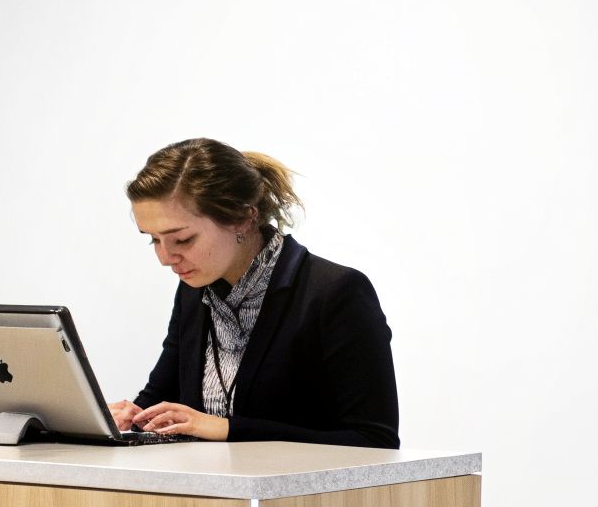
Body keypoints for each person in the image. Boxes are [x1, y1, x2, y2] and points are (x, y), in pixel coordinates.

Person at [109, 138, 400, 449]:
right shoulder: (194, 292)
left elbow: (375, 441)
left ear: (243, 219)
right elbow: (159, 404)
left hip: (301, 498)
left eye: (182, 239)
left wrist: (227, 429)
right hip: (214, 494)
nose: (165, 257)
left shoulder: (336, 292)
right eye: (153, 240)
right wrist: (125, 419)